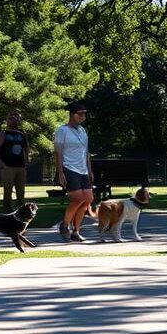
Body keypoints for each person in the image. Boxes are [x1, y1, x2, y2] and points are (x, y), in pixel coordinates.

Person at [53, 101, 94, 242]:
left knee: (88, 200)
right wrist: (60, 172)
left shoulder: (83, 131)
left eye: (85, 114)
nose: (83, 117)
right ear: (72, 114)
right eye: (80, 114)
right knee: (77, 199)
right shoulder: (62, 131)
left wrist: (89, 170)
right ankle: (64, 225)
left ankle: (76, 231)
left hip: (83, 170)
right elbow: (58, 153)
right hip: (69, 168)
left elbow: (86, 152)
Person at [0, 111, 30, 212]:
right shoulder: (2, 133)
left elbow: (26, 148)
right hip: (7, 167)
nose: (13, 118)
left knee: (21, 191)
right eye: (11, 117)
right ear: (7, 119)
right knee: (8, 191)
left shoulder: (22, 134)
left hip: (21, 167)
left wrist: (26, 161)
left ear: (19, 120)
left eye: (16, 117)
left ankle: (22, 211)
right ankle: (8, 212)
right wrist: (1, 164)